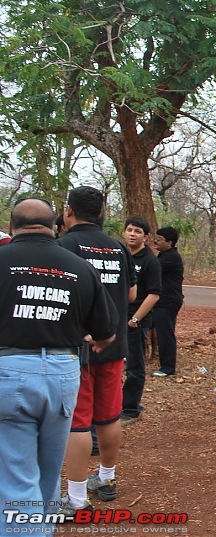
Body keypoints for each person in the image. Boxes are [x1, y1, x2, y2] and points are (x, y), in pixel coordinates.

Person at [0, 199, 117, 535]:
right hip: (63, 373)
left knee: (15, 479)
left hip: (9, 371)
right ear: (54, 227)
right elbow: (106, 333)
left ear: (12, 227)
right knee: (49, 474)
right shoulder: (79, 266)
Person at [58, 186, 136, 512]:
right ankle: (107, 477)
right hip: (114, 345)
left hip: (77, 349)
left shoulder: (63, 247)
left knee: (78, 421)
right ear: (101, 213)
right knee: (108, 415)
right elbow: (131, 296)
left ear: (68, 211)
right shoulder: (119, 250)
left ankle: (76, 498)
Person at [121, 217, 161, 423]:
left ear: (145, 237)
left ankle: (130, 409)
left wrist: (135, 320)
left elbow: (154, 295)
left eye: (137, 231)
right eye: (129, 230)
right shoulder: (120, 256)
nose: (132, 234)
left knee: (135, 367)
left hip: (135, 320)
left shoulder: (150, 261)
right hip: (117, 318)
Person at [151, 226, 183, 377]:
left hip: (168, 301)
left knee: (165, 333)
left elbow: (151, 270)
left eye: (159, 239)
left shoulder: (171, 257)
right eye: (155, 238)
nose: (155, 241)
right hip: (158, 302)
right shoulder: (163, 255)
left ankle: (168, 368)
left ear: (169, 242)